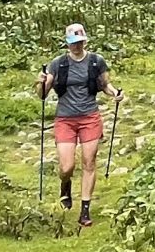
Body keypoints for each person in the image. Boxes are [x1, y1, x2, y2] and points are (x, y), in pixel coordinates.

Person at [38, 21, 123, 227]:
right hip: (65, 118)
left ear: (85, 40)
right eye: (73, 42)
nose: (77, 45)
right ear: (67, 43)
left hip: (89, 117)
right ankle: (65, 186)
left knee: (89, 162)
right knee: (66, 167)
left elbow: (104, 84)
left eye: (80, 41)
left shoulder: (96, 61)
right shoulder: (57, 64)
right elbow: (42, 94)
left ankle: (85, 209)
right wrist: (40, 81)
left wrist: (115, 94)